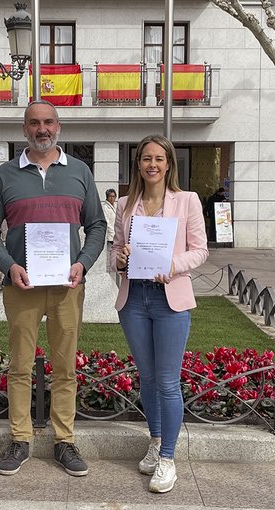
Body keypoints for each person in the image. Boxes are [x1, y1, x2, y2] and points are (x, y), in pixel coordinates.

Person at [0, 100, 106, 477]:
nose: (42, 129)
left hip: (67, 287)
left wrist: (83, 263)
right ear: (24, 129)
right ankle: (21, 440)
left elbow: (96, 225)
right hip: (23, 286)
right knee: (19, 366)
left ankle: (64, 441)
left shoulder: (80, 172)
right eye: (34, 123)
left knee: (66, 367)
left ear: (59, 127)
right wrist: (9, 265)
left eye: (48, 122)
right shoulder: (5, 175)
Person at [111, 134, 208, 493]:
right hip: (134, 299)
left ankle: (168, 458)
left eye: (159, 159)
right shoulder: (125, 204)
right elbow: (118, 250)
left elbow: (200, 251)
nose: (152, 164)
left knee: (167, 381)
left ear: (169, 164)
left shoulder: (187, 201)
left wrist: (173, 263)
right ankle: (155, 443)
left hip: (170, 300)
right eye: (146, 159)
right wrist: (118, 259)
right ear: (138, 164)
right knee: (147, 378)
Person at [102, 188, 117, 270]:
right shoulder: (105, 207)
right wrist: (112, 233)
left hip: (115, 234)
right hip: (110, 235)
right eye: (110, 196)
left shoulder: (114, 206)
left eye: (114, 196)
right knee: (109, 254)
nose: (112, 198)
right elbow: (107, 222)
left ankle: (112, 268)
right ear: (107, 197)